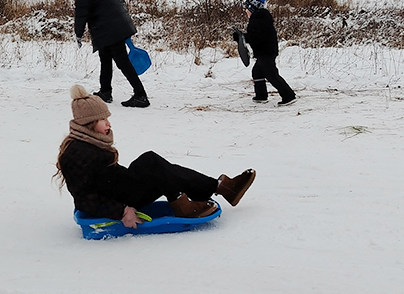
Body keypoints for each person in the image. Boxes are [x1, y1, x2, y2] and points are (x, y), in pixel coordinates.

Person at [55, 85, 256, 228]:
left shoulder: (88, 142)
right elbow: (84, 199)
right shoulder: (75, 155)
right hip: (119, 200)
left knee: (154, 165)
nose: (108, 124)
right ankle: (191, 201)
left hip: (120, 189)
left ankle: (220, 188)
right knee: (153, 165)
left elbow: (107, 177)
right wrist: (121, 211)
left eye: (107, 118)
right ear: (88, 124)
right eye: (102, 120)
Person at [68, 0, 149, 108]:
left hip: (108, 24)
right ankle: (105, 91)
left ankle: (141, 95)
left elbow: (82, 7)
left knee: (122, 60)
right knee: (105, 56)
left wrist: (78, 31)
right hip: (115, 20)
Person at [234, 0, 296, 106]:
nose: (246, 11)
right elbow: (256, 36)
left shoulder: (257, 20)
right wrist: (242, 37)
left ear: (252, 8)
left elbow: (255, 38)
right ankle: (261, 95)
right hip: (267, 50)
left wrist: (242, 37)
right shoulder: (261, 17)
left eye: (247, 9)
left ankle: (288, 95)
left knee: (271, 74)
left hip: (265, 51)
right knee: (257, 72)